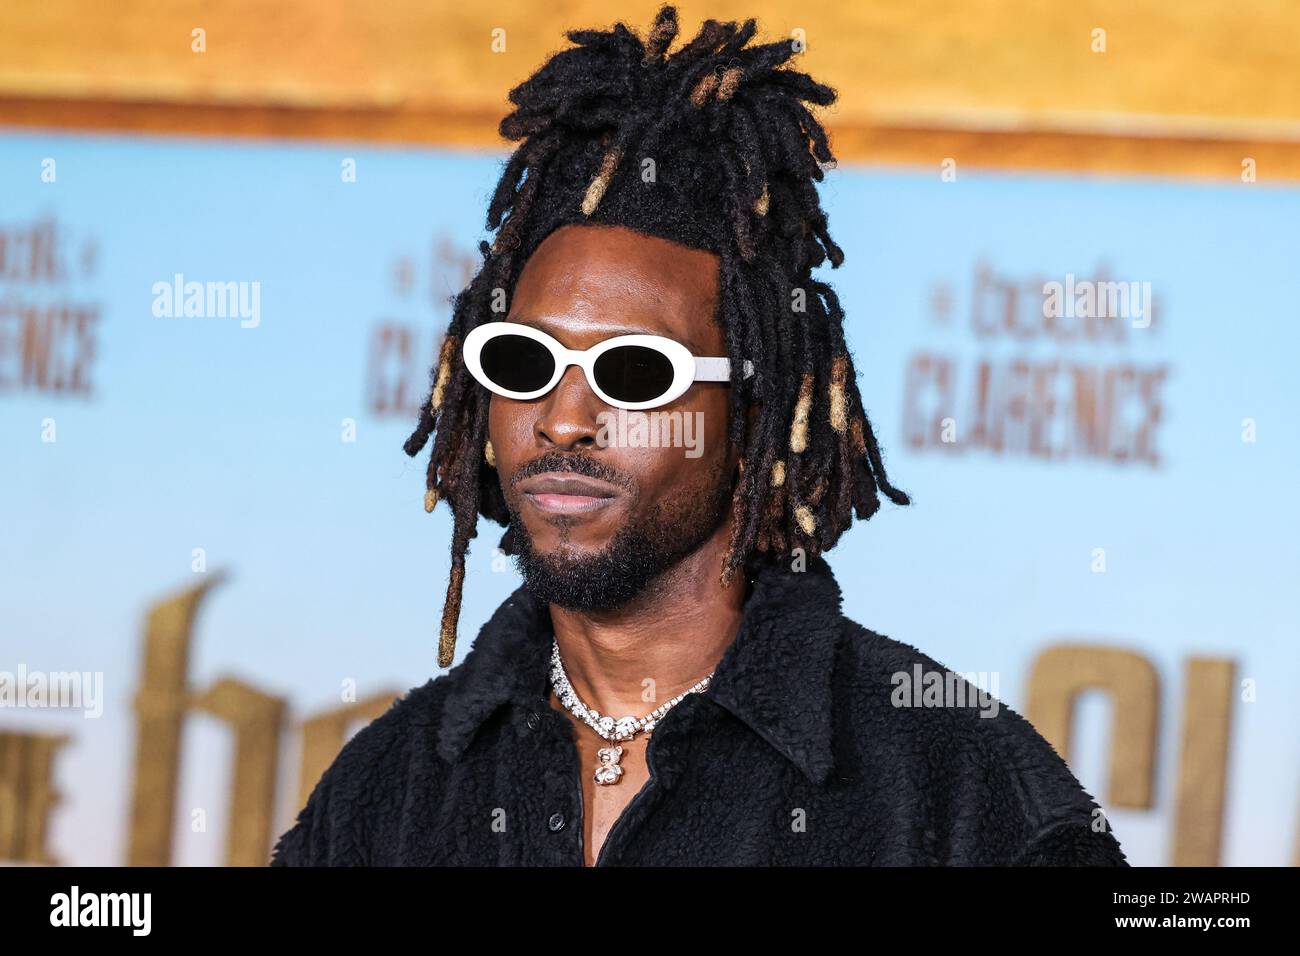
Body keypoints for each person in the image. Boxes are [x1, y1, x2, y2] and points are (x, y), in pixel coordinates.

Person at [271, 4, 1127, 867]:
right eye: (524, 361)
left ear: (754, 416)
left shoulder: (961, 787)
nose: (565, 418)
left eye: (636, 373)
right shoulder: (386, 790)